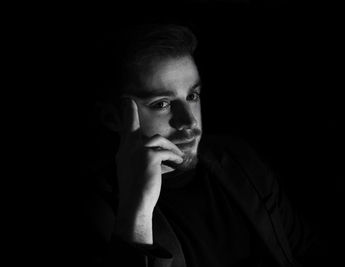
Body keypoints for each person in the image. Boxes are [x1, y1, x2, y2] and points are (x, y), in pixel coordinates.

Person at [85, 24, 327, 267]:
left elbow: (306, 249)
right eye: (162, 104)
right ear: (111, 118)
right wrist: (136, 211)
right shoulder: (98, 209)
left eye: (192, 96)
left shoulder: (239, 160)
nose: (189, 120)